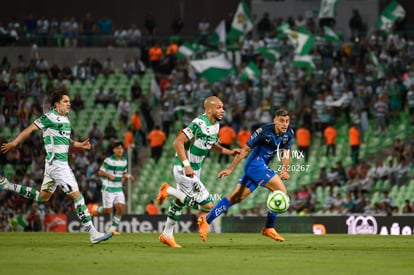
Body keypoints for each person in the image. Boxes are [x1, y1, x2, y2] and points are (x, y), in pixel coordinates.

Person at [0, 89, 113, 244]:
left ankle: (7, 185)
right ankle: (93, 233)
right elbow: (30, 129)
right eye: (66, 101)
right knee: (77, 196)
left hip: (53, 165)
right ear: (57, 103)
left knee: (42, 197)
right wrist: (14, 143)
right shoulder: (49, 117)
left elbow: (66, 139)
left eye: (69, 101)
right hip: (58, 165)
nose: (69, 104)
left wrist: (79, 145)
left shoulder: (65, 120)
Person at [156, 96, 240, 248]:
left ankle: (166, 234)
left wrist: (229, 152)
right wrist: (187, 165)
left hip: (196, 169)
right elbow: (178, 142)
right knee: (207, 206)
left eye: (222, 107)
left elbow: (210, 144)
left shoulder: (216, 125)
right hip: (184, 168)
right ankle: (168, 190)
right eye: (219, 107)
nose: (222, 110)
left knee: (179, 204)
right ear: (209, 109)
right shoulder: (198, 123)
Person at [201, 109, 295, 243]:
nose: (285, 124)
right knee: (281, 191)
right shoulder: (263, 131)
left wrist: (285, 169)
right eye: (281, 121)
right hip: (255, 165)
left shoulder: (289, 134)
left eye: (287, 121)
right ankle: (268, 227)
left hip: (260, 166)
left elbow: (286, 153)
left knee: (236, 197)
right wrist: (230, 169)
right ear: (275, 120)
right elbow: (244, 150)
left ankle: (207, 219)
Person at [89, 140, 135, 235]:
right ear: (113, 150)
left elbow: (124, 173)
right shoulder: (108, 160)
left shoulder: (124, 161)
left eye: (121, 148)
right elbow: (100, 172)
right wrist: (109, 175)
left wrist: (129, 176)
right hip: (108, 188)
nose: (120, 150)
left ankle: (112, 229)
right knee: (107, 211)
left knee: (120, 208)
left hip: (118, 188)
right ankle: (94, 209)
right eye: (117, 148)